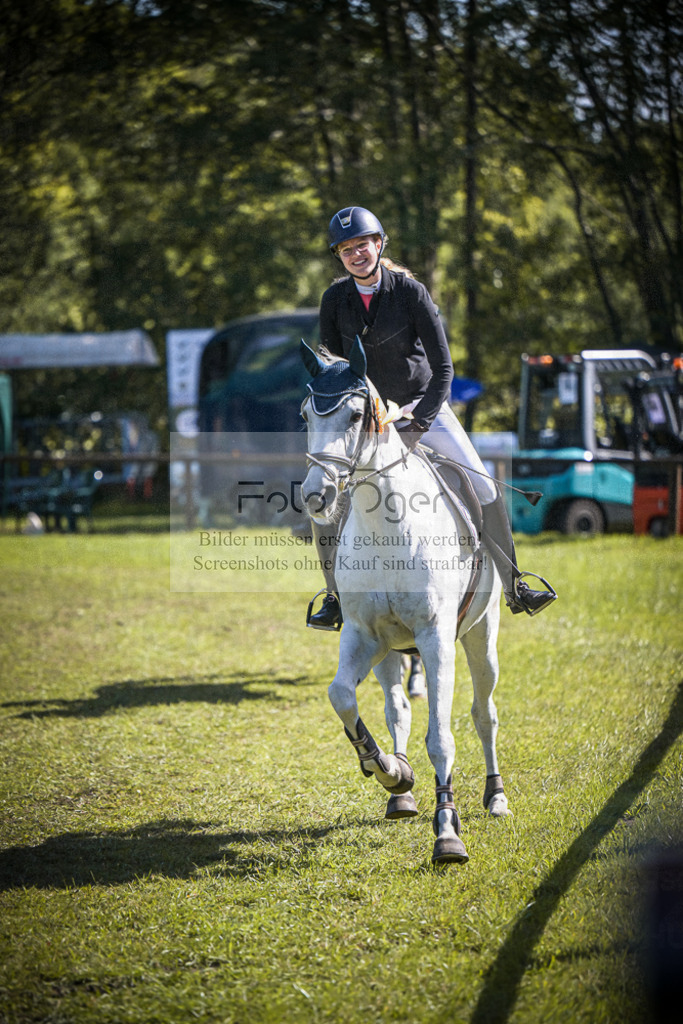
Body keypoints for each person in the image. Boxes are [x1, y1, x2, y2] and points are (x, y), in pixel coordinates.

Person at [307, 205, 556, 630]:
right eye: (346, 249)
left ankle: (515, 583)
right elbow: (334, 368)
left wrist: (418, 424)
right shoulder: (334, 300)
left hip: (422, 408)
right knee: (325, 497)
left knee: (483, 484)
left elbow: (444, 370)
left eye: (362, 245)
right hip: (368, 418)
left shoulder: (411, 292)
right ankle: (334, 597)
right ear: (339, 256)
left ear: (379, 244)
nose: (355, 254)